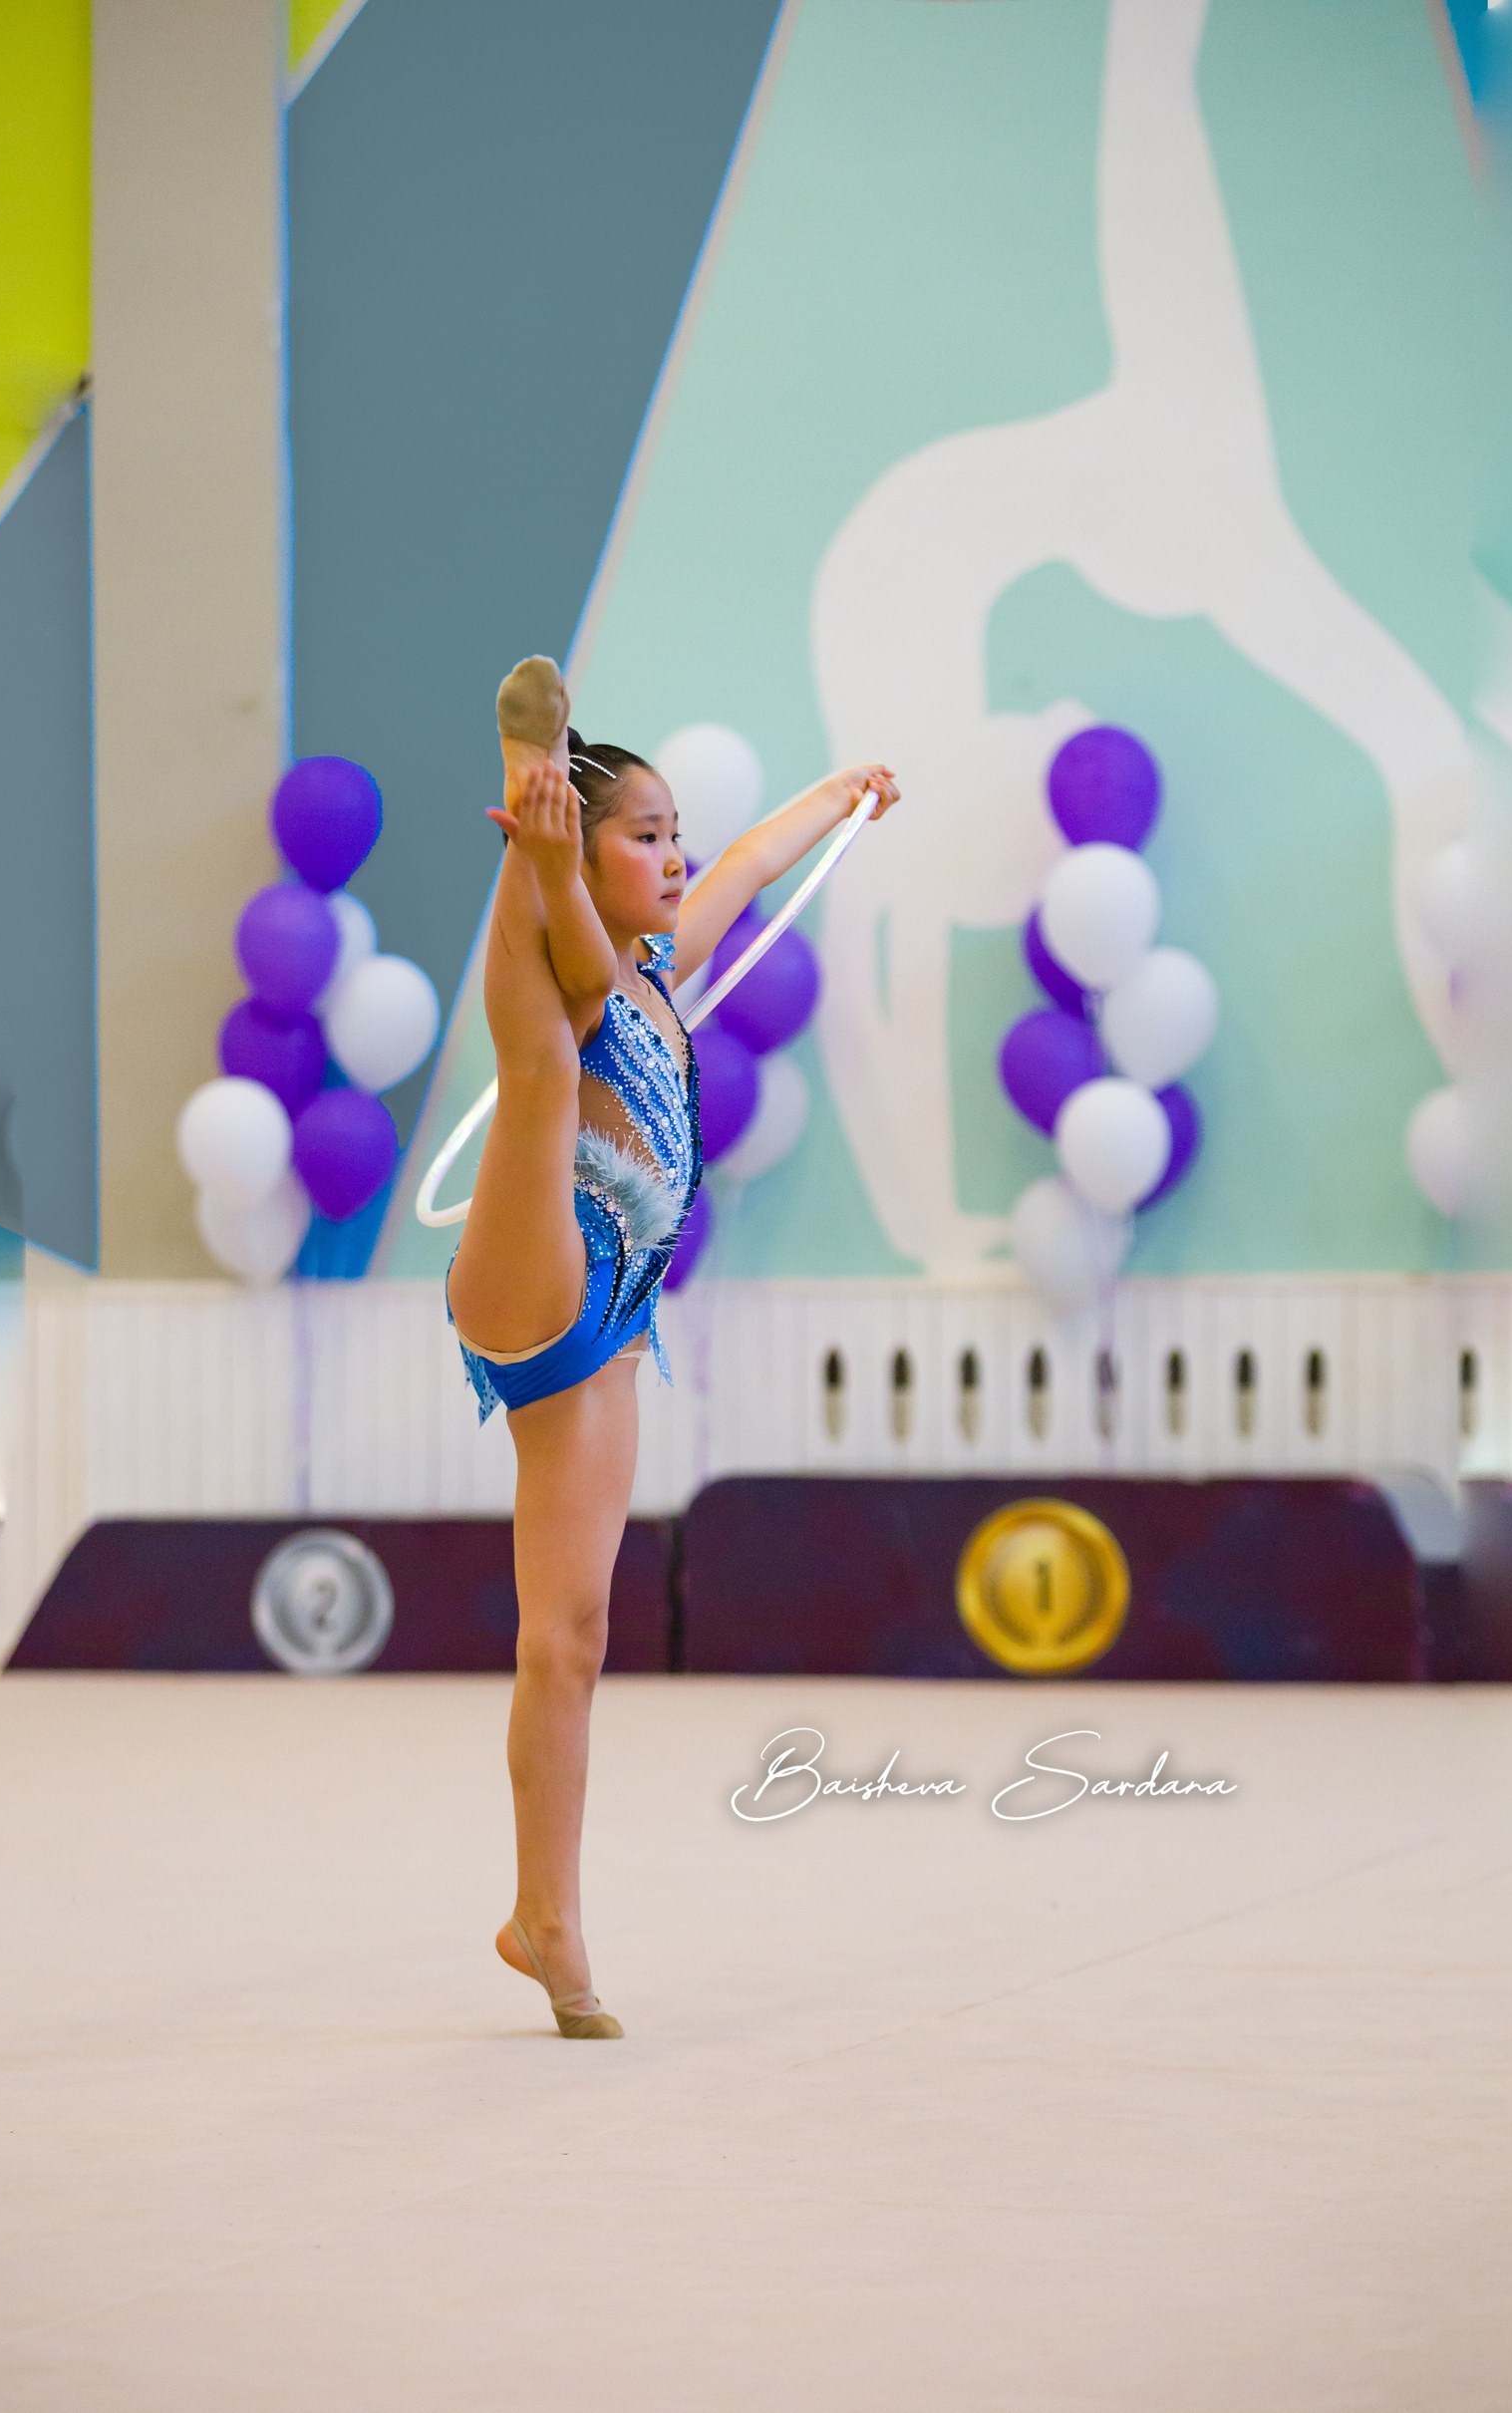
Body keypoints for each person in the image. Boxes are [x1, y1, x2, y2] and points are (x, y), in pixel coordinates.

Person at [447, 655, 898, 2037]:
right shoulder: (592, 970)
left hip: (615, 1316)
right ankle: (525, 812)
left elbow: (749, 863)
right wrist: (542, 848)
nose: (676, 855)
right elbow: (579, 958)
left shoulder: (651, 969)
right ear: (588, 849)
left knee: (569, 1639)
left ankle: (543, 1916)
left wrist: (839, 794)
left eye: (670, 834)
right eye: (645, 836)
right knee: (542, 1051)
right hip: (533, 1265)